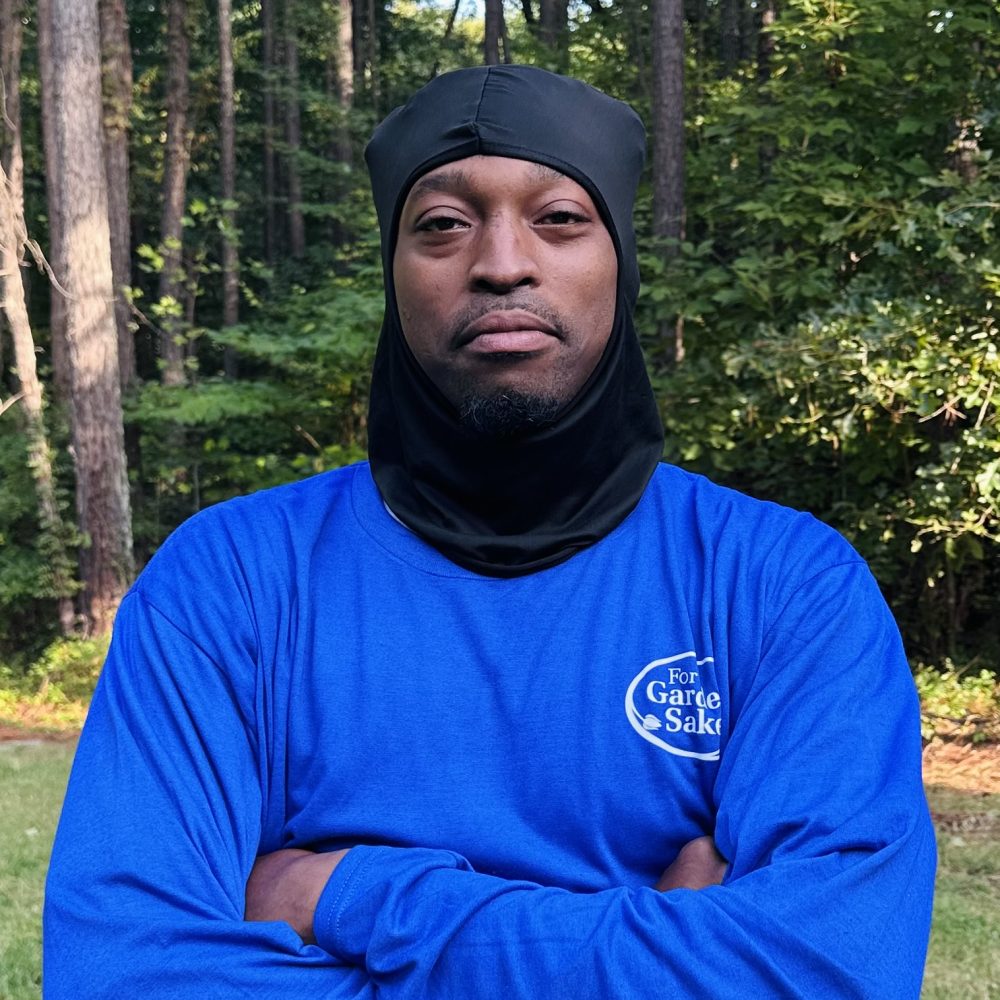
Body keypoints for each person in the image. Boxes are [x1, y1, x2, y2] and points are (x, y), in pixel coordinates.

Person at [44, 66, 936, 998]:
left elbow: (833, 970)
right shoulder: (229, 583)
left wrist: (347, 895)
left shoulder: (784, 585)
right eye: (441, 223)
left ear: (620, 259)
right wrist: (663, 943)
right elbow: (121, 973)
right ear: (391, 271)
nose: (502, 261)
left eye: (557, 218)